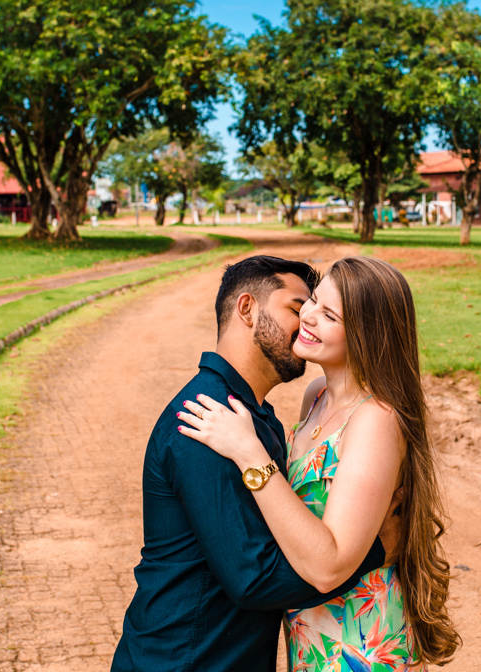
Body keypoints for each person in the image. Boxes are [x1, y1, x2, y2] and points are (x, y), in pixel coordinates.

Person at [111, 255, 397, 672]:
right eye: (299, 309)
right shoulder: (206, 420)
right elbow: (255, 578)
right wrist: (378, 549)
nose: (307, 323)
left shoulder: (255, 418)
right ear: (247, 308)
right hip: (184, 660)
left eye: (320, 310)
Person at [179, 255, 460, 671]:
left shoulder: (374, 421)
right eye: (311, 301)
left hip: (358, 642)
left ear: (367, 335)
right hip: (311, 634)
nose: (306, 316)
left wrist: (250, 454)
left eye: (328, 315)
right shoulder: (316, 396)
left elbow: (328, 566)